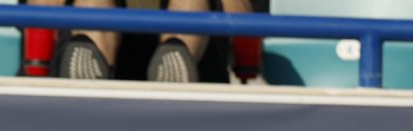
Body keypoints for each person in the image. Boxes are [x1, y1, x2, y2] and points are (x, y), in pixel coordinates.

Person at [29, 0, 252, 83]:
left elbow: (243, 20)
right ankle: (86, 87)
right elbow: (41, 8)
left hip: (198, 64)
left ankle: (174, 75)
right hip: (103, 49)